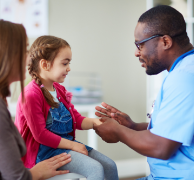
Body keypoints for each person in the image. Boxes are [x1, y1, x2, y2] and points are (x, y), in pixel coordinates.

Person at [94, 5, 194, 180]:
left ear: (165, 42)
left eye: (139, 44)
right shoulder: (191, 66)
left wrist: (118, 132)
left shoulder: (185, 78)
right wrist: (133, 127)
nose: (136, 52)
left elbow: (161, 147)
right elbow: (173, 131)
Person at [0, 19, 72, 180]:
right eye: (25, 50)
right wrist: (37, 172)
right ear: (4, 54)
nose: (29, 58)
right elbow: (16, 177)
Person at [14, 35, 118, 180]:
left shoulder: (59, 90)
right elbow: (40, 135)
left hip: (64, 146)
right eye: (64, 63)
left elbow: (76, 119)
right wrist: (73, 146)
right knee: (95, 169)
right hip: (43, 152)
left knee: (110, 166)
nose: (69, 68)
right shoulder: (31, 94)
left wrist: (96, 123)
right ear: (45, 64)